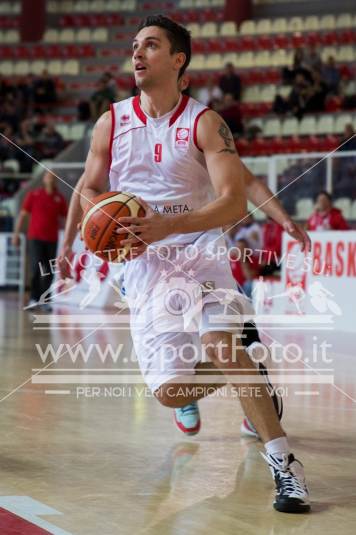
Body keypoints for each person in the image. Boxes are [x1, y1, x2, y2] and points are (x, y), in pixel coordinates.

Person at [59, 15, 312, 513]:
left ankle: (285, 465)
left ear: (179, 61)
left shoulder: (206, 122)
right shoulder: (111, 120)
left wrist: (169, 226)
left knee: (221, 344)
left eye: (150, 45)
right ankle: (250, 366)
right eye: (134, 45)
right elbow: (88, 186)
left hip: (198, 252)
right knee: (172, 393)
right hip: (142, 268)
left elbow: (235, 202)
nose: (137, 53)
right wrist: (83, 231)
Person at [12, 171, 67, 309]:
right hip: (35, 238)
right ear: (44, 179)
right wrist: (16, 234)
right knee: (36, 268)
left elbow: (66, 219)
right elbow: (23, 215)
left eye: (53, 177)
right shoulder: (34, 195)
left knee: (49, 270)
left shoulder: (59, 198)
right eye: (48, 176)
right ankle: (33, 298)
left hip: (52, 239)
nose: (50, 179)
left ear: (56, 181)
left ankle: (45, 300)